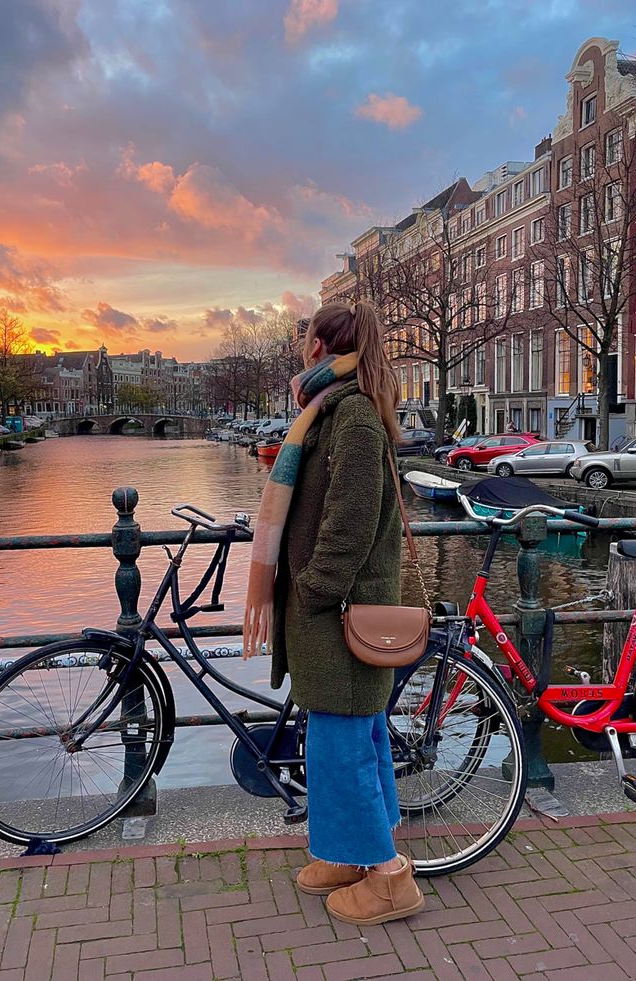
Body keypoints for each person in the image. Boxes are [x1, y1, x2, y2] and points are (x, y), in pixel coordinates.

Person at [243, 299, 424, 926]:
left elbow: (347, 524)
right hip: (333, 611)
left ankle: (387, 877)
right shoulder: (331, 411)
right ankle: (347, 854)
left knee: (342, 743)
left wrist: (314, 588)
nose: (299, 345)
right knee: (350, 734)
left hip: (340, 611)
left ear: (321, 346)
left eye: (303, 336)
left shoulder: (352, 420)